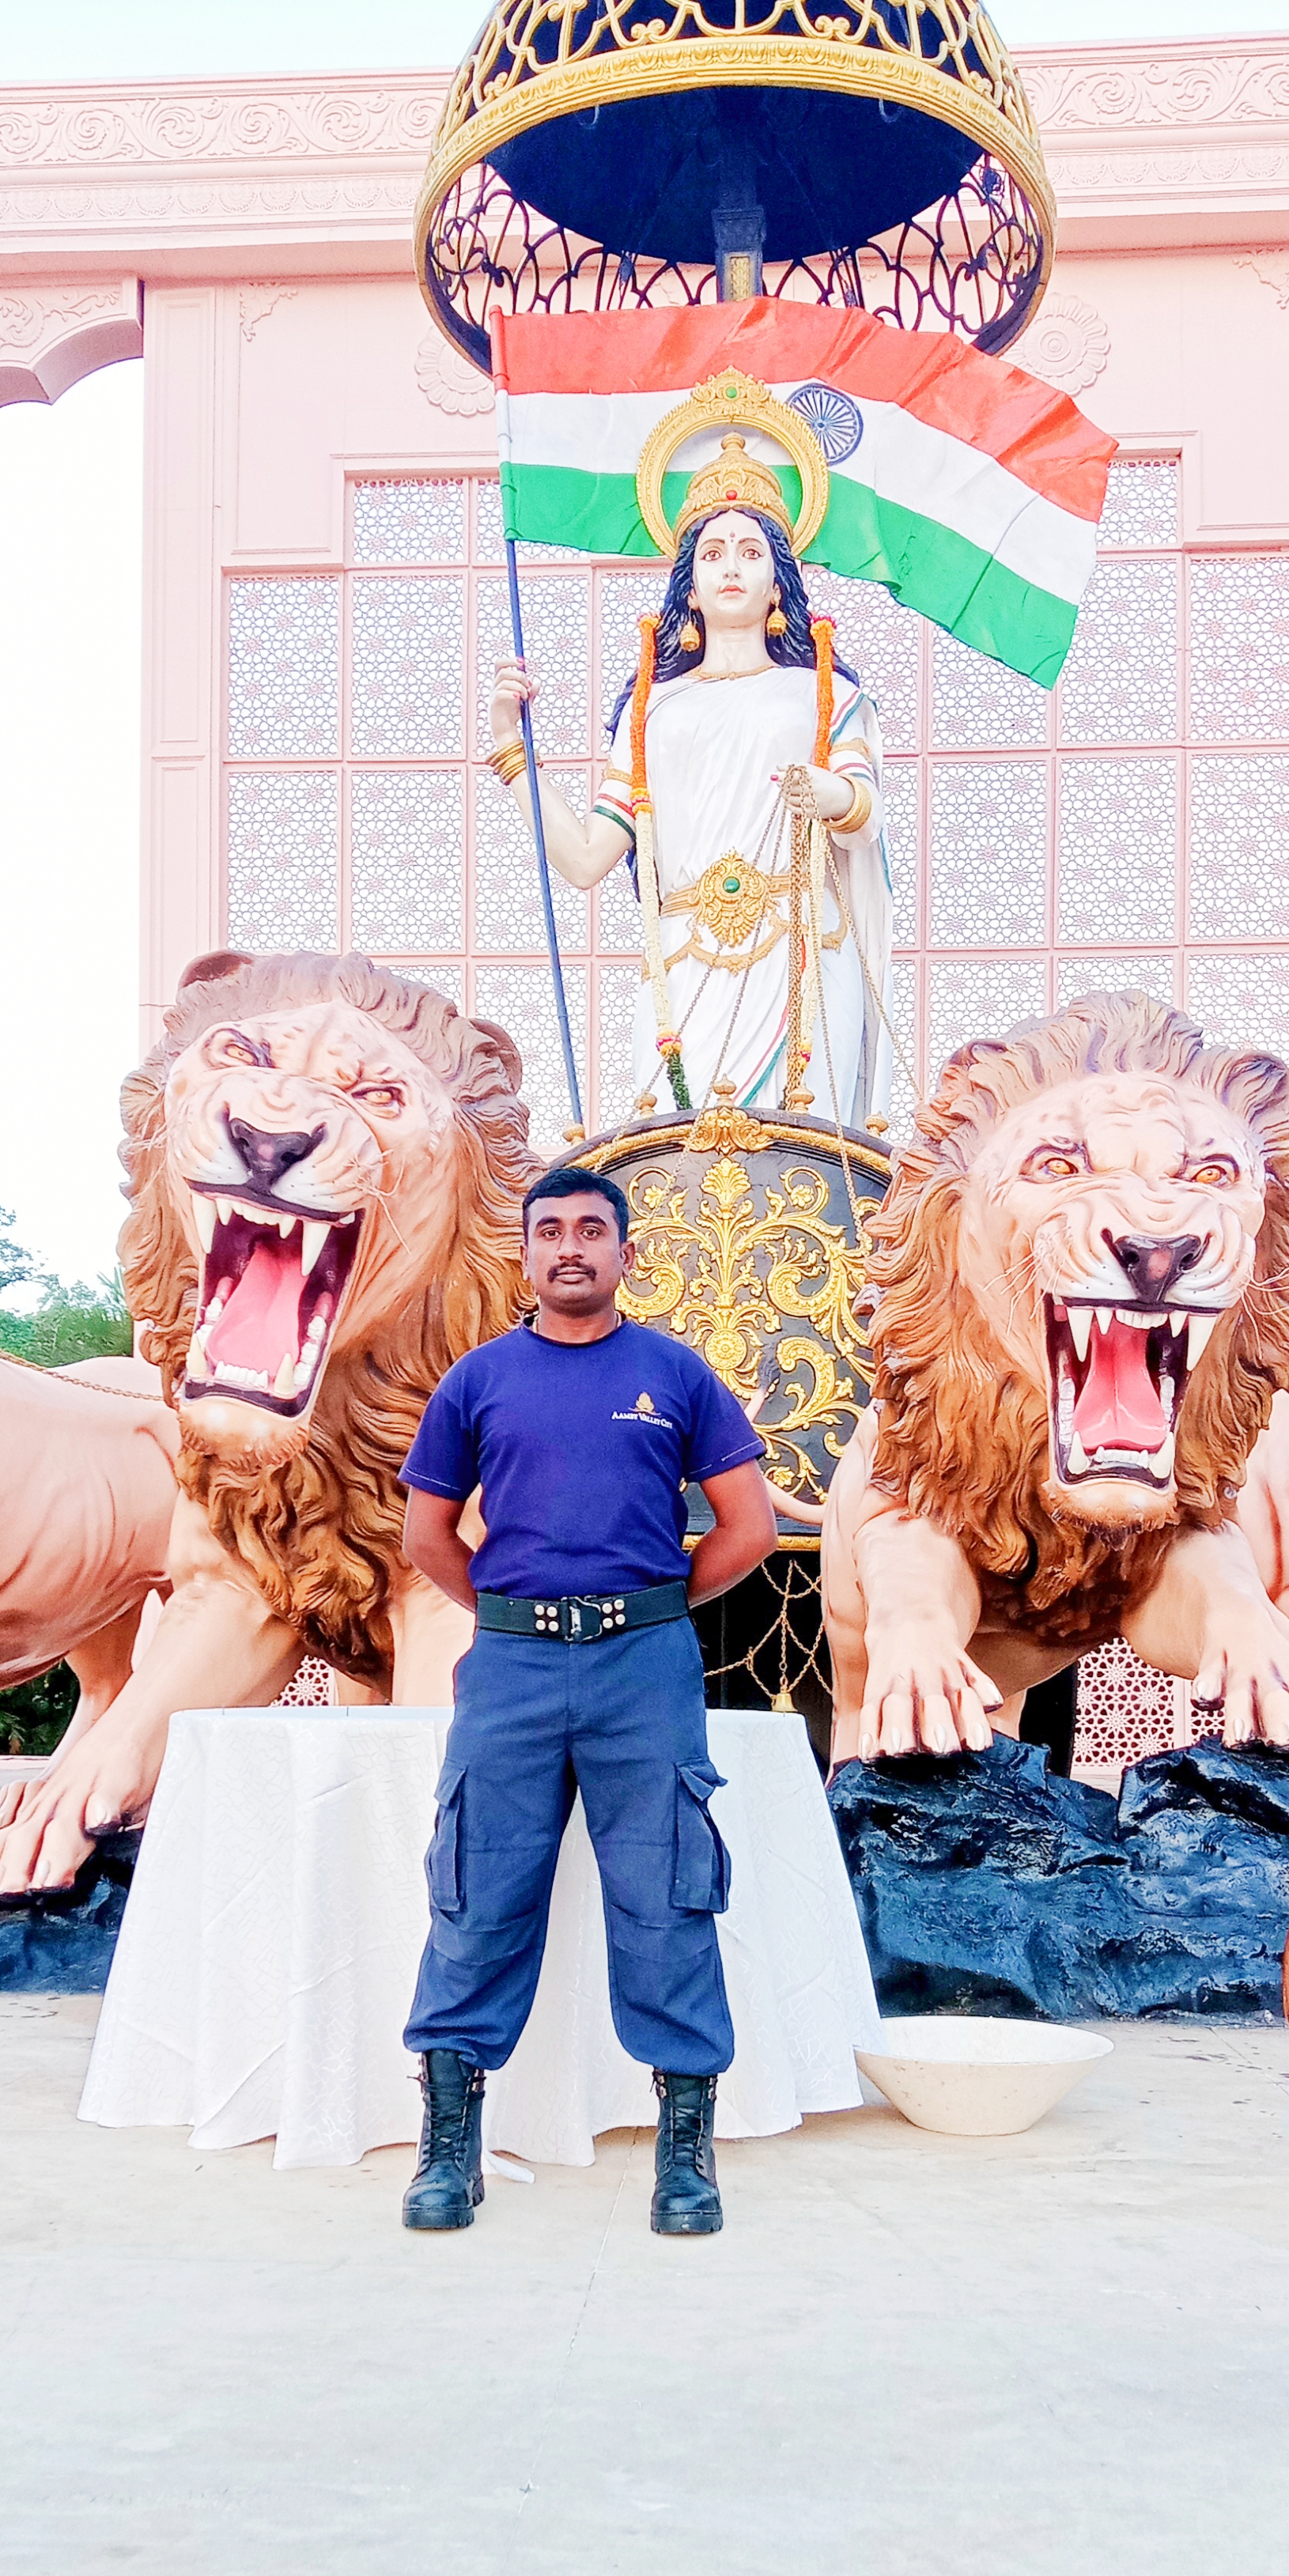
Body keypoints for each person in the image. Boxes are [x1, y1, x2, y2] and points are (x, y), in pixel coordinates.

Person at [398, 1161, 778, 2237]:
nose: (570, 1246)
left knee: (668, 1899)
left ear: (623, 1252)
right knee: (474, 1896)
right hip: (510, 1673)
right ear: (525, 1253)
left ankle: (684, 2160)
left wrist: (647, 1608)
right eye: (550, 1230)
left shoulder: (675, 1373)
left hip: (642, 1673)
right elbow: (427, 1534)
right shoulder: (476, 1380)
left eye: (590, 1230)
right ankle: (448, 2152)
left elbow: (748, 1526)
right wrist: (514, 1615)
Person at [488, 440, 892, 1124]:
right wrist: (512, 751)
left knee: (800, 1151)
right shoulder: (652, 710)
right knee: (676, 1150)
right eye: (712, 554)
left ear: (777, 583)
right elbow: (585, 859)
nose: (730, 567)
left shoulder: (822, 692)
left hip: (800, 951)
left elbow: (864, 813)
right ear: (689, 585)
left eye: (750, 552)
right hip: (682, 958)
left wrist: (831, 797)